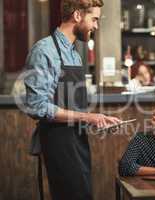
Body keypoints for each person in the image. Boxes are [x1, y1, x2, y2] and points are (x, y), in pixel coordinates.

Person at [23, 0, 121, 199]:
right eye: (94, 19)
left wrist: (97, 120)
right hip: (57, 144)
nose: (96, 26)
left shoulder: (75, 55)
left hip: (78, 142)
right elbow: (36, 106)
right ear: (77, 15)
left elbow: (74, 110)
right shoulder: (44, 51)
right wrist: (86, 117)